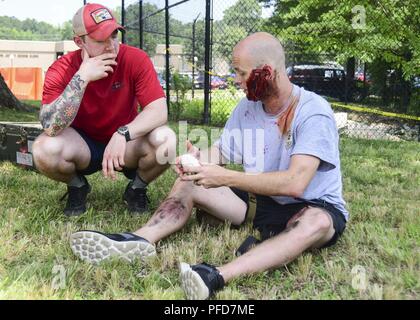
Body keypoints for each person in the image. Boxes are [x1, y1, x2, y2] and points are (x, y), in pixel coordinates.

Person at [69, 32, 349, 300]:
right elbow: (223, 151)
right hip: (262, 203)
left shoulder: (313, 111)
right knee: (190, 181)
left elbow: (295, 183)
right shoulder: (247, 108)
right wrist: (200, 160)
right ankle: (138, 241)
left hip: (313, 205)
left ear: (267, 71)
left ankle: (214, 276)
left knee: (316, 222)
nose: (237, 80)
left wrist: (224, 176)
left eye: (241, 72)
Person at [32, 3, 176, 216]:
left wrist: (123, 133)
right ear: (79, 42)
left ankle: (136, 188)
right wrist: (82, 78)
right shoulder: (61, 69)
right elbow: (50, 127)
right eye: (101, 39)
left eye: (114, 35)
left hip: (126, 144)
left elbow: (159, 110)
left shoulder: (135, 58)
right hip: (82, 144)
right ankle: (77, 186)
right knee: (43, 150)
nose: (111, 45)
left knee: (168, 140)